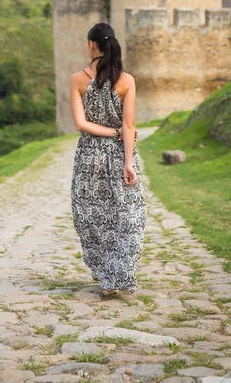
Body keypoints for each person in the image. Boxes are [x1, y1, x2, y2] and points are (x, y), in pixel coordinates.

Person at [70, 22, 147, 297]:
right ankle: (117, 274)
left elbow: (81, 123)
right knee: (129, 216)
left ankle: (107, 272)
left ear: (92, 45)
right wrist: (128, 162)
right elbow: (129, 126)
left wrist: (109, 132)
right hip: (119, 155)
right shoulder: (126, 80)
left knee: (91, 216)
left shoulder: (78, 79)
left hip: (89, 157)